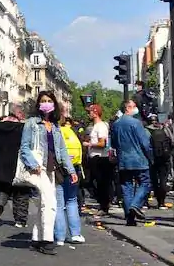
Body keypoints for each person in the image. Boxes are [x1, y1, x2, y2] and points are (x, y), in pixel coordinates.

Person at [19, 91, 73, 254]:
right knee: (49, 203)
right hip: (38, 168)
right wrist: (32, 163)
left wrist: (70, 169)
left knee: (43, 203)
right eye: (43, 101)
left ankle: (36, 238)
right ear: (38, 104)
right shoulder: (31, 123)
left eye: (49, 101)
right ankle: (47, 240)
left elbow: (62, 150)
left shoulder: (56, 126)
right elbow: (24, 147)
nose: (46, 103)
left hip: (51, 169)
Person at [111, 99, 153, 226]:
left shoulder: (116, 124)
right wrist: (150, 157)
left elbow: (113, 143)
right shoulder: (136, 123)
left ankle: (130, 218)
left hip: (123, 160)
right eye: (133, 106)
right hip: (139, 159)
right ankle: (135, 205)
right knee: (145, 183)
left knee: (126, 187)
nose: (135, 108)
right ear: (127, 108)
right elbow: (144, 143)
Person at [0, 103, 29, 227]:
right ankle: (20, 220)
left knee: (3, 189)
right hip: (18, 164)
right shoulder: (23, 128)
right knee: (21, 192)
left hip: (0, 163)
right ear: (19, 114)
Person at [56, 108, 85, 246]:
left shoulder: (56, 131)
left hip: (59, 169)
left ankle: (60, 236)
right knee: (72, 201)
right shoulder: (71, 131)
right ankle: (76, 234)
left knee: (59, 203)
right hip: (75, 168)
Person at [84, 104, 114, 215]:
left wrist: (89, 144)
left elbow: (102, 143)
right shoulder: (95, 126)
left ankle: (104, 206)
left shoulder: (101, 126)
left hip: (100, 158)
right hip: (95, 157)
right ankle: (103, 204)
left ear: (95, 113)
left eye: (90, 112)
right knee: (94, 182)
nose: (88, 114)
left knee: (101, 183)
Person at [148, 114, 173, 208]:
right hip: (164, 158)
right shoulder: (164, 129)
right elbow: (172, 141)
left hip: (153, 159)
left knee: (154, 180)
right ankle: (161, 202)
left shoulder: (147, 130)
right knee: (163, 179)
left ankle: (156, 198)